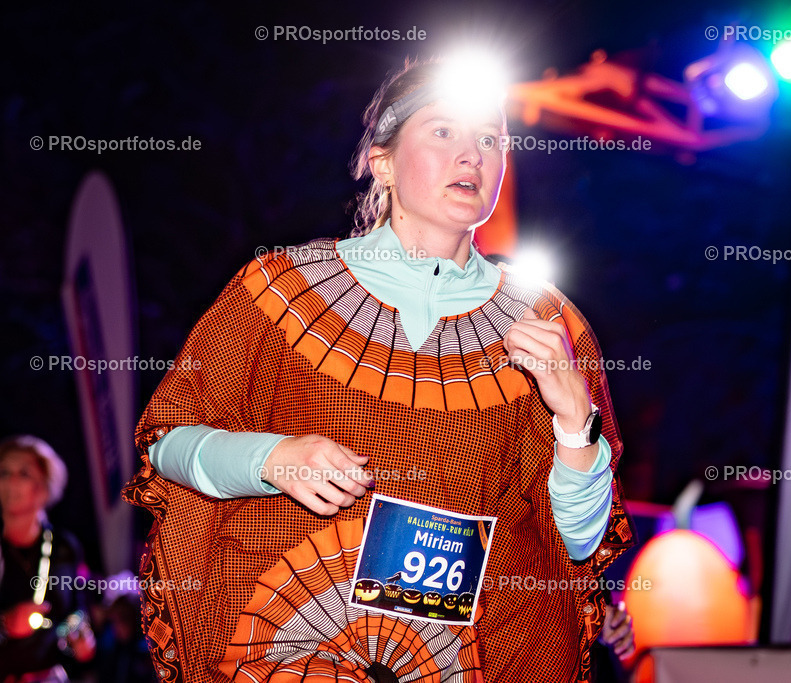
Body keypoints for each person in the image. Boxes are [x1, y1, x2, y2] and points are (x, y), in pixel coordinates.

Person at [122, 56, 632, 682]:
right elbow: (165, 447)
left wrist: (575, 421)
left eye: (490, 140)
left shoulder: (550, 322)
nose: (471, 155)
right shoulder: (281, 292)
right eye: (442, 131)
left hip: (469, 661)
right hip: (287, 648)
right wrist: (270, 458)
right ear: (382, 162)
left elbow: (577, 546)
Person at [0, 435, 96, 682]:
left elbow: (77, 606)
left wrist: (80, 635)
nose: (11, 482)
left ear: (44, 487)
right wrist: (4, 623)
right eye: (4, 473)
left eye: (23, 474)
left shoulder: (65, 547)